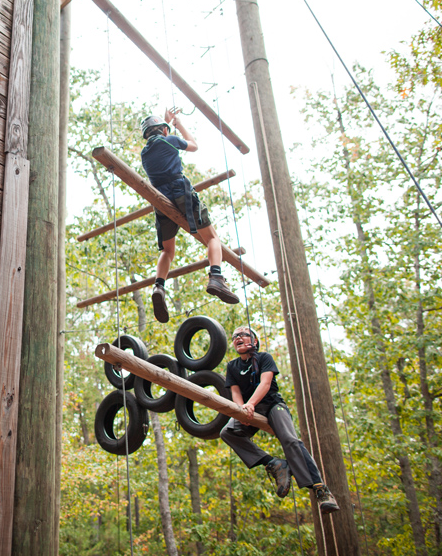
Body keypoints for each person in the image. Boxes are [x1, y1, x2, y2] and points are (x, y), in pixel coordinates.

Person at [219, 326, 340, 514]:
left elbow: (266, 383)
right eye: (235, 336)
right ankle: (273, 463)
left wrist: (250, 404)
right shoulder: (232, 366)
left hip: (273, 404)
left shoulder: (264, 358)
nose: (238, 337)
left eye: (244, 334)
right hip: (249, 408)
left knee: (290, 439)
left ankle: (320, 490)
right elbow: (235, 392)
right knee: (228, 432)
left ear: (255, 341)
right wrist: (240, 411)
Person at [140, 108, 238, 324]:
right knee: (212, 238)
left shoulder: (145, 153)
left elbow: (162, 142)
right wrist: (178, 124)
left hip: (161, 200)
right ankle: (216, 276)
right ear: (164, 130)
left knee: (167, 250)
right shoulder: (170, 140)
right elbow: (193, 145)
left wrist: (166, 124)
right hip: (181, 192)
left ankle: (159, 286)